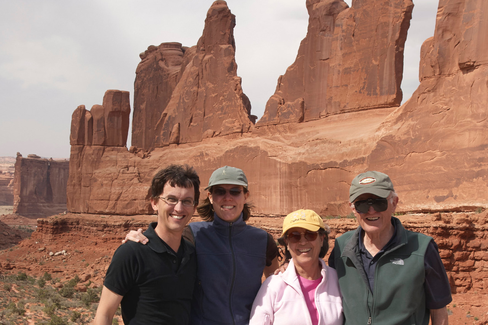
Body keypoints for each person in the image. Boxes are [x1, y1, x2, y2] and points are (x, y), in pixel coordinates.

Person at [125, 166, 280, 325]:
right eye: (220, 191)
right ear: (211, 197)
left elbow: (276, 285)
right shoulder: (193, 234)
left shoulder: (262, 240)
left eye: (235, 191)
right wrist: (140, 239)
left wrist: (288, 268)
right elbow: (159, 252)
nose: (227, 197)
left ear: (245, 196)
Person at [328, 171, 452, 325]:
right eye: (362, 204)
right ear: (353, 208)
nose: (371, 210)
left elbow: (439, 311)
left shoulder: (422, 248)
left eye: (379, 202)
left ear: (394, 203)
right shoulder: (341, 247)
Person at [93, 164, 200, 325]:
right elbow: (103, 316)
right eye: (171, 199)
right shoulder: (131, 253)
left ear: (194, 207)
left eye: (187, 201)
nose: (179, 208)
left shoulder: (191, 254)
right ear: (154, 202)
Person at [250, 209, 343, 325]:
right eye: (295, 236)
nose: (303, 242)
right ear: (287, 243)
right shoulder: (273, 286)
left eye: (310, 234)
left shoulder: (338, 281)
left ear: (321, 239)